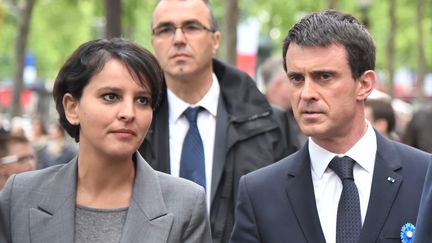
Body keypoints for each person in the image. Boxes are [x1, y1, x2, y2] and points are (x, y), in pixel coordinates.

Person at [230, 10, 431, 243]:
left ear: (364, 84)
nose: (306, 94)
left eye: (324, 77)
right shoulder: (259, 193)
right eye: (296, 79)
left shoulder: (425, 176)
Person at [0, 38, 211, 243]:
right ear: (72, 108)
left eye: (142, 100)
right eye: (111, 96)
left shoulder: (186, 204)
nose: (129, 113)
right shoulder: (20, 195)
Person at [139, 0, 295, 242]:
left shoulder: (271, 124)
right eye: (166, 29)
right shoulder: (134, 127)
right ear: (154, 43)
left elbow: (292, 209)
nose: (178, 39)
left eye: (191, 27)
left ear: (215, 41)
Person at [259, 57, 307, 149]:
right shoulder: (253, 117)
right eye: (296, 79)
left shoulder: (302, 115)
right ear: (278, 84)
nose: (304, 88)